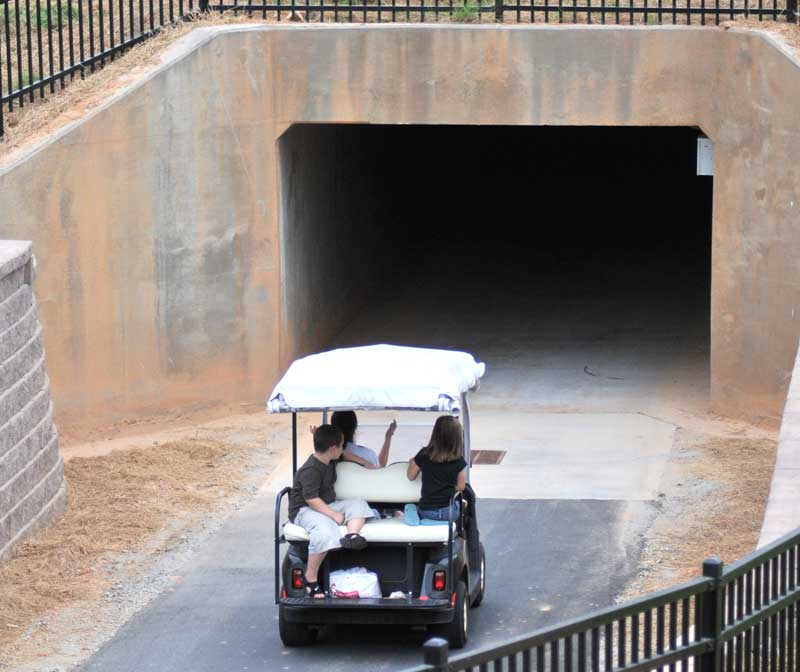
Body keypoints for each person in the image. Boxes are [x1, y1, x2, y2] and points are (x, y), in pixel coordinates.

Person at [288, 424, 375, 598]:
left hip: (327, 503)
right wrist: (333, 514)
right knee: (325, 531)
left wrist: (365, 463)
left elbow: (345, 454)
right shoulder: (311, 469)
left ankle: (352, 535)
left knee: (359, 505)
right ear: (332, 448)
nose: (343, 448)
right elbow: (311, 499)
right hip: (304, 509)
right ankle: (310, 578)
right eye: (341, 445)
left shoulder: (329, 458)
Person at [406, 415, 467, 522]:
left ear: (435, 433)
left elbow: (410, 476)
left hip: (427, 512)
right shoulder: (459, 460)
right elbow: (461, 486)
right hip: (449, 512)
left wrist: (413, 461)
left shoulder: (424, 454)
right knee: (462, 504)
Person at [311, 411, 396, 468]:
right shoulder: (368, 454)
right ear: (354, 428)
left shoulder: (326, 455)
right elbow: (379, 468)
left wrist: (320, 437)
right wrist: (388, 438)